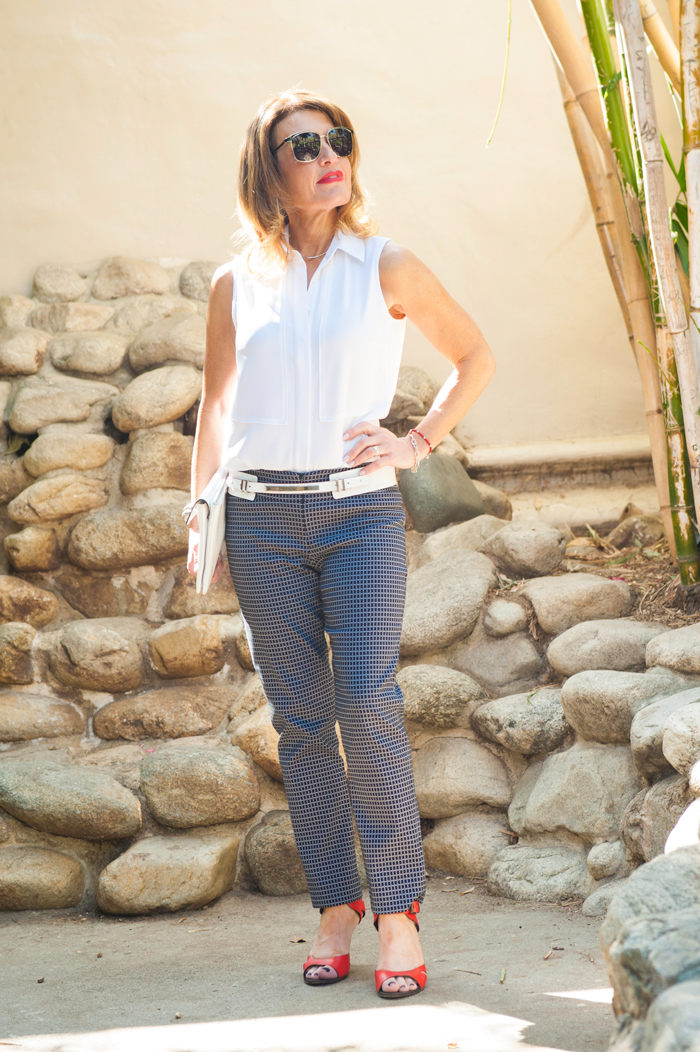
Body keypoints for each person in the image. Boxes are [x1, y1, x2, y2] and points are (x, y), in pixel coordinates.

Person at [188, 88, 495, 999]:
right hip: (260, 520)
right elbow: (215, 404)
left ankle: (397, 912)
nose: (328, 155)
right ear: (268, 171)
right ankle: (336, 906)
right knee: (301, 720)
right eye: (303, 145)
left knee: (366, 702)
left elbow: (473, 356)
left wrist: (416, 443)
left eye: (339, 140)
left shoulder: (386, 265)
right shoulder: (236, 282)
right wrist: (197, 519)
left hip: (359, 514)